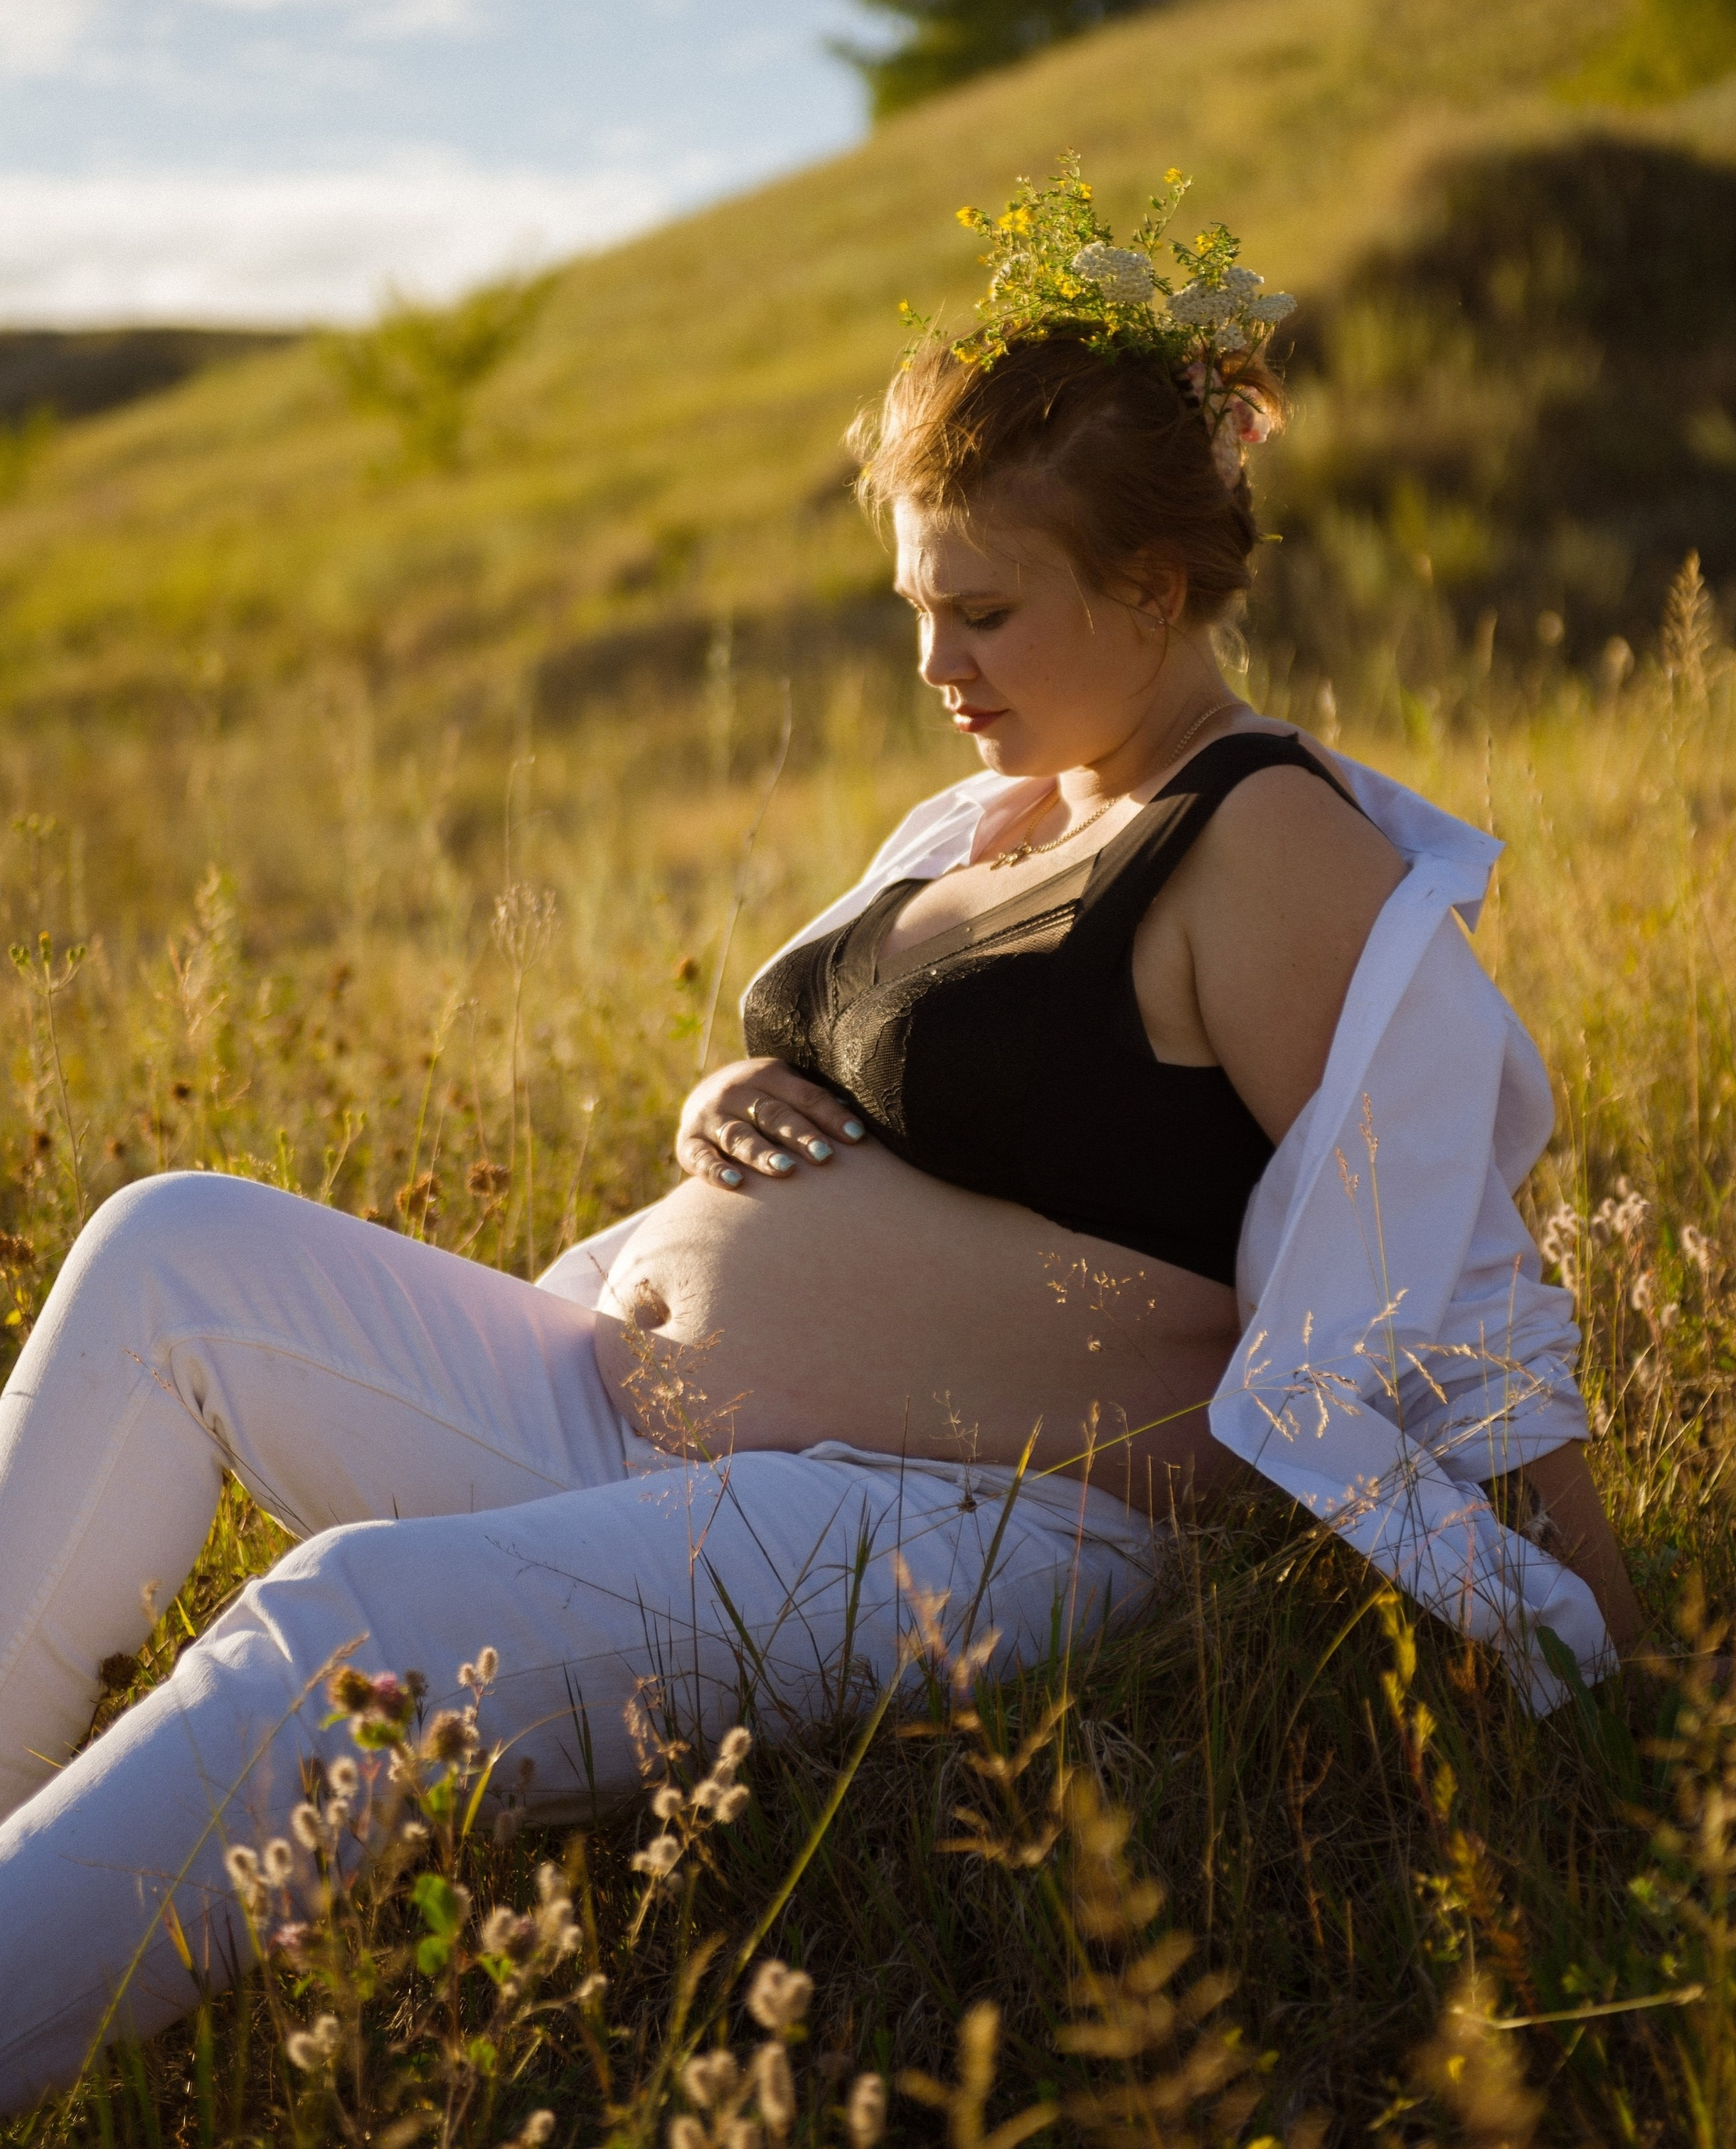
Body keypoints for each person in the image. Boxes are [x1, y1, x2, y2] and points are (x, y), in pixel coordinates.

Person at [0, 164, 1641, 2108]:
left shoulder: (1261, 841)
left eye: (986, 607)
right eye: (915, 606)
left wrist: (1602, 1631)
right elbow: (894, 1077)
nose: (936, 659)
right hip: (637, 1402)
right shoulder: (1007, 806)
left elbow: (1446, 1250)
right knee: (175, 1245)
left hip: (972, 1525)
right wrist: (725, 1100)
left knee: (344, 1627)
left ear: (1155, 583)